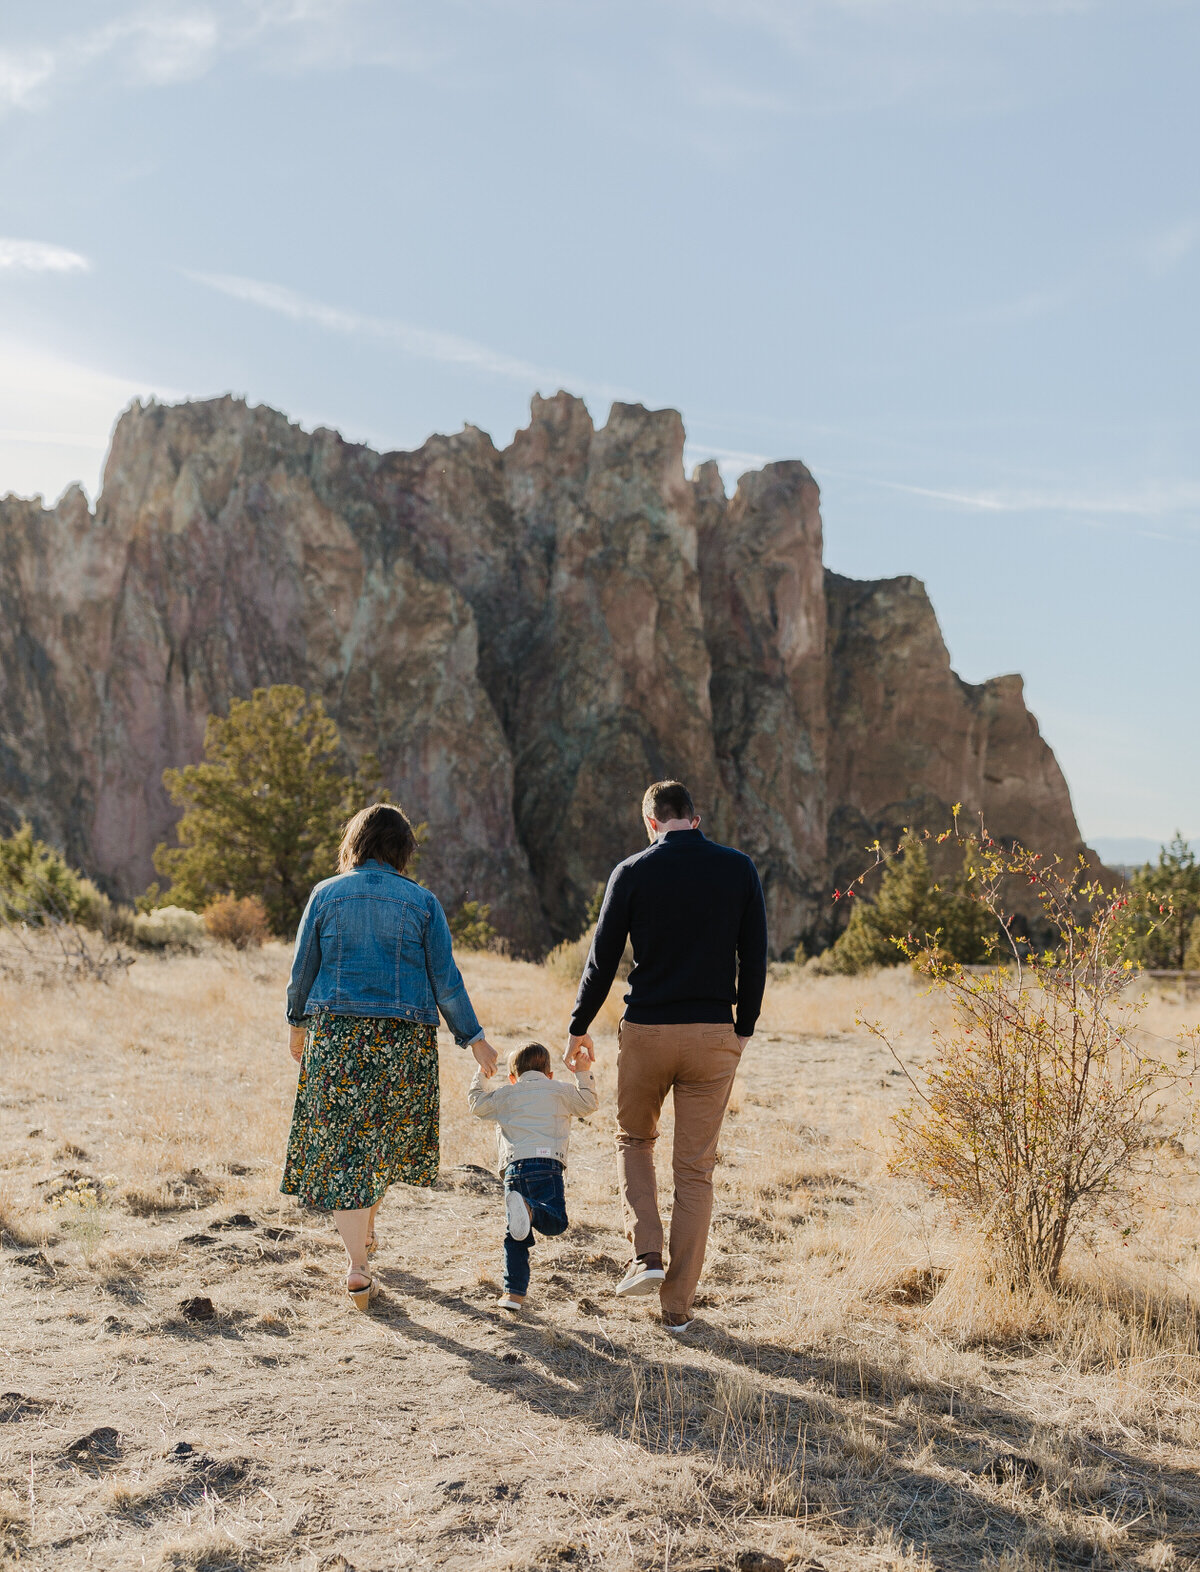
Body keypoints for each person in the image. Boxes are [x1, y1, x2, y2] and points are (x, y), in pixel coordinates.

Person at [566, 780, 767, 1333]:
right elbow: (754, 957)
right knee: (696, 1171)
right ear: (695, 820)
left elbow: (601, 960)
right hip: (713, 1035)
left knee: (634, 1140)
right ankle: (677, 1310)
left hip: (649, 1032)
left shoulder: (632, 871)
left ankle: (647, 1254)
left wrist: (578, 1027)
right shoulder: (738, 868)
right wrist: (741, 1027)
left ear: (650, 823)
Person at [282, 802, 498, 1311]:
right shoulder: (421, 902)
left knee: (343, 1151)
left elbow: (302, 970)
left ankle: (358, 1260)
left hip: (337, 1038)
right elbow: (446, 980)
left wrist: (297, 1025)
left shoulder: (325, 894)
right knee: (382, 1141)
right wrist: (475, 1040)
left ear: (355, 843)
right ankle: (361, 1256)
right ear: (402, 849)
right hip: (402, 1043)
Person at [467, 1041, 598, 1312]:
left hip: (515, 1170)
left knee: (515, 1235)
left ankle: (513, 1294)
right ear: (549, 1074)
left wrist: (481, 1074)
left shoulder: (507, 1094)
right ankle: (531, 1211)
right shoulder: (560, 1090)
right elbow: (588, 1104)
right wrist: (581, 1072)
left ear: (512, 1077)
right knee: (556, 1222)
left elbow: (477, 1105)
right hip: (547, 1166)